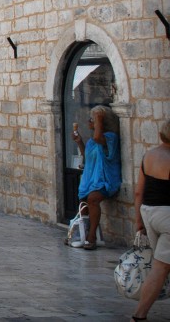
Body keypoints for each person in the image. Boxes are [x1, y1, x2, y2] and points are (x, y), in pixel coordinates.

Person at [132, 119, 170, 321]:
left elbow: (139, 192)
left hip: (149, 213)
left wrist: (139, 221)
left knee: (162, 265)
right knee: (161, 268)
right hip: (167, 216)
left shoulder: (148, 156)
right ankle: (139, 316)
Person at [72, 104, 121, 249]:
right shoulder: (92, 141)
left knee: (92, 199)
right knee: (83, 203)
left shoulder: (110, 138)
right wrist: (79, 141)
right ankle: (79, 234)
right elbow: (87, 157)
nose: (89, 122)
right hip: (91, 178)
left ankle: (92, 236)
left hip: (105, 179)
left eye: (91, 119)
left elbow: (99, 137)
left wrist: (99, 116)